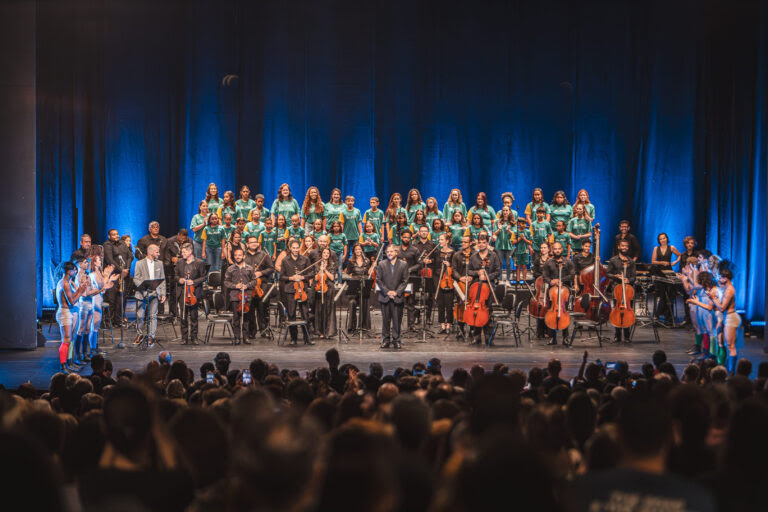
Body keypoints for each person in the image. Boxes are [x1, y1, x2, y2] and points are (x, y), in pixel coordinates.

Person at [466, 233, 500, 346]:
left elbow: (497, 271)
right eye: (479, 243)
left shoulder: (493, 256)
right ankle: (476, 337)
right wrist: (477, 273)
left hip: (489, 287)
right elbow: (468, 271)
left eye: (483, 242)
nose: (481, 244)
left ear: (487, 243)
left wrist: (487, 277)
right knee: (475, 312)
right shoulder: (473, 257)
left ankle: (489, 337)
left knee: (488, 312)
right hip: (476, 288)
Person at [279, 239, 315, 346]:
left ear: (299, 248)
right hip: (290, 290)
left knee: (305, 315)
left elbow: (311, 274)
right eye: (293, 248)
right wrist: (291, 278)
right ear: (290, 248)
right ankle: (293, 338)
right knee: (291, 314)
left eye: (297, 248)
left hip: (302, 290)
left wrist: (302, 277)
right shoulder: (285, 260)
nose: (295, 250)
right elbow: (281, 277)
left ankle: (307, 338)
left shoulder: (305, 259)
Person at [709, 262, 741, 374]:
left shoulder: (729, 290)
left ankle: (732, 371)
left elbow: (722, 308)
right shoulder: (727, 288)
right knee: (727, 344)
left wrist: (713, 298)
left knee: (731, 346)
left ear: (726, 278)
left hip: (731, 317)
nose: (719, 279)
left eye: (721, 277)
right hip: (728, 317)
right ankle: (729, 367)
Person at [55, 262, 87, 373]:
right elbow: (72, 301)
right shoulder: (65, 283)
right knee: (66, 339)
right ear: (69, 271)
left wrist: (79, 290)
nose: (75, 271)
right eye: (74, 270)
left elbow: (72, 298)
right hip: (65, 313)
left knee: (69, 340)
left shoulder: (67, 282)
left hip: (67, 312)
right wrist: (80, 290)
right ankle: (63, 365)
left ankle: (68, 362)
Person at [133, 244, 166, 348]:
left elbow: (162, 279)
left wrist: (163, 293)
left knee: (153, 316)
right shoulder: (139, 263)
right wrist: (144, 288)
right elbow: (136, 278)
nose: (159, 254)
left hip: (155, 293)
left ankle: (151, 336)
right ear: (150, 252)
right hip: (142, 294)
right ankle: (140, 334)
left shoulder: (159, 263)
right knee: (140, 316)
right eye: (157, 252)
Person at [542, 242, 575, 346]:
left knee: (564, 311)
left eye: (559, 249)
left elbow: (572, 275)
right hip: (552, 291)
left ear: (562, 250)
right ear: (552, 250)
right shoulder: (548, 263)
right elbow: (545, 276)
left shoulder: (568, 262)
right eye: (555, 249)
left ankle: (565, 337)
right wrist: (551, 281)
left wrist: (561, 280)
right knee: (551, 311)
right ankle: (552, 337)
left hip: (565, 289)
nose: (557, 250)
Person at [376, 244, 409, 349]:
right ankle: (385, 340)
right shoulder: (381, 264)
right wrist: (387, 292)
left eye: (391, 251)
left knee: (397, 320)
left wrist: (396, 292)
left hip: (397, 297)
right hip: (385, 296)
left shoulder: (403, 264)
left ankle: (396, 340)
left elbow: (405, 281)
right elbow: (379, 280)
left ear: (396, 252)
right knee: (385, 320)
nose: (389, 253)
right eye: (388, 251)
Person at [224, 247, 258, 345]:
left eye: (239, 255)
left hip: (246, 296)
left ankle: (246, 337)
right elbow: (226, 282)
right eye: (236, 255)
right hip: (235, 296)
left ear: (243, 256)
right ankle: (237, 337)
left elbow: (254, 281)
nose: (238, 257)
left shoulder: (250, 268)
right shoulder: (230, 269)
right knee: (236, 317)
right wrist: (235, 286)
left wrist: (247, 285)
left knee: (246, 317)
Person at [243, 234, 275, 338]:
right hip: (249, 286)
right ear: (247, 244)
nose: (254, 244)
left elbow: (271, 268)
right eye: (251, 242)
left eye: (255, 242)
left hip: (262, 285)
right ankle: (252, 331)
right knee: (250, 309)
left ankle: (263, 330)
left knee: (262, 308)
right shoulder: (243, 256)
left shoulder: (264, 255)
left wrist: (260, 273)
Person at [174, 242, 206, 345]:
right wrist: (180, 280)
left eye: (184, 252)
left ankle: (194, 337)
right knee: (183, 316)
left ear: (190, 251)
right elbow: (175, 276)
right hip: (182, 292)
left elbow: (204, 277)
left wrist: (194, 282)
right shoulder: (179, 262)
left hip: (193, 292)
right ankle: (184, 338)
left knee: (193, 316)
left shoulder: (199, 263)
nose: (182, 254)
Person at [606, 239, 636, 343]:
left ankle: (627, 336)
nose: (624, 248)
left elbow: (633, 277)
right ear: (619, 247)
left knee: (628, 312)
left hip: (628, 291)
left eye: (626, 246)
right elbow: (608, 273)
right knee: (617, 312)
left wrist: (629, 279)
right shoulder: (613, 260)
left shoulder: (631, 261)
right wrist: (616, 276)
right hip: (617, 290)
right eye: (622, 246)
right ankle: (617, 336)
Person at [103, 228, 133, 328]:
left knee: (121, 299)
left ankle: (118, 320)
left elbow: (130, 256)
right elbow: (109, 259)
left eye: (117, 234)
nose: (116, 236)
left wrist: (127, 269)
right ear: (109, 236)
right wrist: (121, 270)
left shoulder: (122, 243)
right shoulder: (107, 245)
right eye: (114, 235)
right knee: (111, 299)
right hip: (113, 275)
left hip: (124, 275)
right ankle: (109, 321)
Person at [651, 232, 682, 325]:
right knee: (660, 295)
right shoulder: (656, 248)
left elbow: (679, 255)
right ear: (659, 240)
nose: (662, 240)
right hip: (659, 272)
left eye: (664, 238)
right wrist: (661, 262)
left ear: (667, 239)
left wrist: (674, 262)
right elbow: (653, 261)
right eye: (660, 239)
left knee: (669, 295)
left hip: (668, 272)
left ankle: (669, 317)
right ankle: (658, 316)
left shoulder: (671, 247)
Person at [413, 225, 440, 324]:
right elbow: (414, 259)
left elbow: (437, 259)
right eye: (422, 231)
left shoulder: (433, 245)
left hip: (430, 272)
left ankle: (428, 317)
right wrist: (420, 261)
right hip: (419, 272)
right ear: (419, 233)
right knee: (417, 295)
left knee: (430, 295)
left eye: (425, 231)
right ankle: (417, 316)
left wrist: (430, 260)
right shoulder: (415, 245)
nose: (424, 233)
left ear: (428, 233)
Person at [344, 244, 372, 332]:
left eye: (359, 249)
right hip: (354, 288)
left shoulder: (367, 261)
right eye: (356, 249)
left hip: (364, 286)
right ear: (354, 251)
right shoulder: (351, 261)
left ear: (362, 250)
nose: (358, 251)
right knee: (352, 303)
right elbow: (347, 273)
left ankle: (364, 326)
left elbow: (368, 273)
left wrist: (371, 270)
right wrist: (352, 278)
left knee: (365, 302)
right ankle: (351, 327)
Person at [451, 235, 474, 340]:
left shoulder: (475, 255)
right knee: (460, 304)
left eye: (465, 242)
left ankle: (473, 328)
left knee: (472, 304)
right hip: (460, 283)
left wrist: (471, 277)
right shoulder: (456, 255)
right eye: (462, 242)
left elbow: (477, 268)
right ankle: (461, 328)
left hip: (471, 284)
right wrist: (460, 278)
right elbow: (453, 270)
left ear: (470, 243)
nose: (463, 244)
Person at [397, 229, 421, 329]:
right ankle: (397, 324)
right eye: (404, 237)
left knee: (411, 302)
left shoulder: (415, 250)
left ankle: (411, 325)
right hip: (399, 279)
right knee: (399, 302)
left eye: (408, 237)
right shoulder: (397, 249)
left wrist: (410, 269)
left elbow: (420, 264)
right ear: (401, 237)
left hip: (412, 278)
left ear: (410, 238)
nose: (406, 239)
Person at [312, 248, 338, 339]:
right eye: (324, 252)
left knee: (328, 310)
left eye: (328, 253)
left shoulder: (332, 264)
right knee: (320, 310)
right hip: (320, 288)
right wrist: (320, 270)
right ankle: (320, 332)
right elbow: (315, 278)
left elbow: (332, 278)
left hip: (329, 289)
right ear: (321, 254)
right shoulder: (317, 264)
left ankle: (328, 332)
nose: (326, 254)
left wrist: (325, 270)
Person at [435, 233, 455, 334]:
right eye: (439, 240)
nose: (440, 242)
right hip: (439, 280)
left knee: (449, 304)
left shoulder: (453, 253)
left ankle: (449, 325)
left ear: (447, 241)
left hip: (449, 281)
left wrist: (450, 264)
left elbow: (455, 267)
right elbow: (435, 265)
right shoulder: (437, 253)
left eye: (442, 240)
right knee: (440, 304)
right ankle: (442, 325)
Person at [532, 241, 552, 339]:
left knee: (548, 308)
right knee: (540, 308)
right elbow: (534, 272)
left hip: (549, 286)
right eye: (541, 248)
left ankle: (549, 331)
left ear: (548, 249)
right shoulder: (537, 260)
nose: (542, 249)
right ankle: (540, 331)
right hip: (539, 285)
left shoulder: (552, 260)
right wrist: (540, 277)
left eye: (544, 247)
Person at [493, 206, 515, 284]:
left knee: (508, 263)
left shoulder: (512, 222)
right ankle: (500, 279)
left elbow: (514, 234)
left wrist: (509, 230)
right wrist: (499, 229)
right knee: (500, 263)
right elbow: (494, 233)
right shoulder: (497, 222)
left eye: (506, 210)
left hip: (508, 246)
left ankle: (508, 280)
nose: (505, 212)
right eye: (504, 210)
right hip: (499, 245)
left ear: (509, 211)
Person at [512, 218, 533, 286]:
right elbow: (512, 243)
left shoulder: (528, 232)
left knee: (524, 266)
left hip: (525, 252)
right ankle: (518, 281)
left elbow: (530, 243)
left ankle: (524, 281)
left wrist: (524, 238)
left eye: (524, 223)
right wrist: (520, 238)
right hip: (517, 252)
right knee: (518, 267)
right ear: (518, 224)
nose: (523, 225)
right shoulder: (515, 232)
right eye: (521, 223)